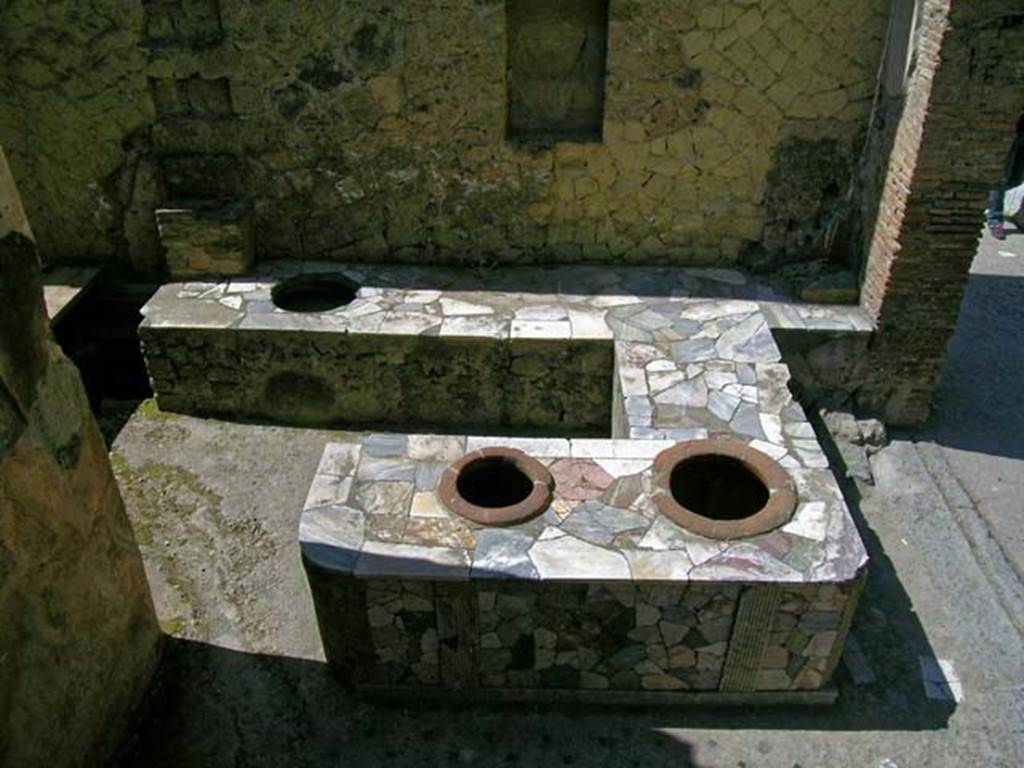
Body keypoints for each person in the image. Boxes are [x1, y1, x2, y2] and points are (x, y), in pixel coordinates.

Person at [987, 114, 1024, 240]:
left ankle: (1019, 214)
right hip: (1015, 129)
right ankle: (995, 219)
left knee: (1016, 179)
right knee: (1002, 178)